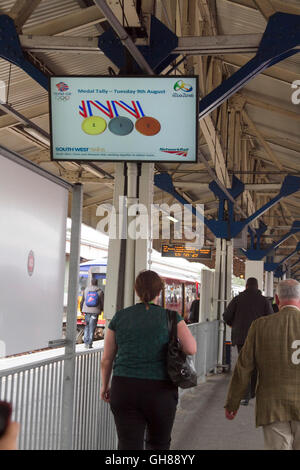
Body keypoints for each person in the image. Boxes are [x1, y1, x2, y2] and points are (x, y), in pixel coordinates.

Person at [100, 270, 197, 450]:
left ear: (136, 290)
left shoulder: (119, 317)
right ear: (159, 292)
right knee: (158, 445)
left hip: (124, 388)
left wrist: (105, 386)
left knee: (128, 446)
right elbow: (191, 348)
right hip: (160, 391)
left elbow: (107, 359)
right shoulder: (170, 317)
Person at [225, 279, 300, 450]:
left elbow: (243, 367)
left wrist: (233, 402)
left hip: (272, 406)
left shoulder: (260, 326)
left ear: (276, 299)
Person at [223, 277, 273, 405]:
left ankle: (245, 396)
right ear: (257, 287)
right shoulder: (264, 301)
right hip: (259, 337)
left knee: (244, 365)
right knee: (255, 365)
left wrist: (233, 324)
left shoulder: (238, 299)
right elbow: (271, 318)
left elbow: (227, 316)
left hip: (241, 338)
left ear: (246, 286)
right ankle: (253, 393)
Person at [81, 278, 104, 349]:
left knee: (87, 326)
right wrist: (102, 309)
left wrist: (81, 309)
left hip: (86, 311)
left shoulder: (86, 289)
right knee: (92, 327)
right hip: (95, 312)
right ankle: (90, 343)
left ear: (91, 283)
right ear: (97, 283)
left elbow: (83, 300)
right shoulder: (99, 291)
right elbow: (102, 302)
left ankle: (86, 342)